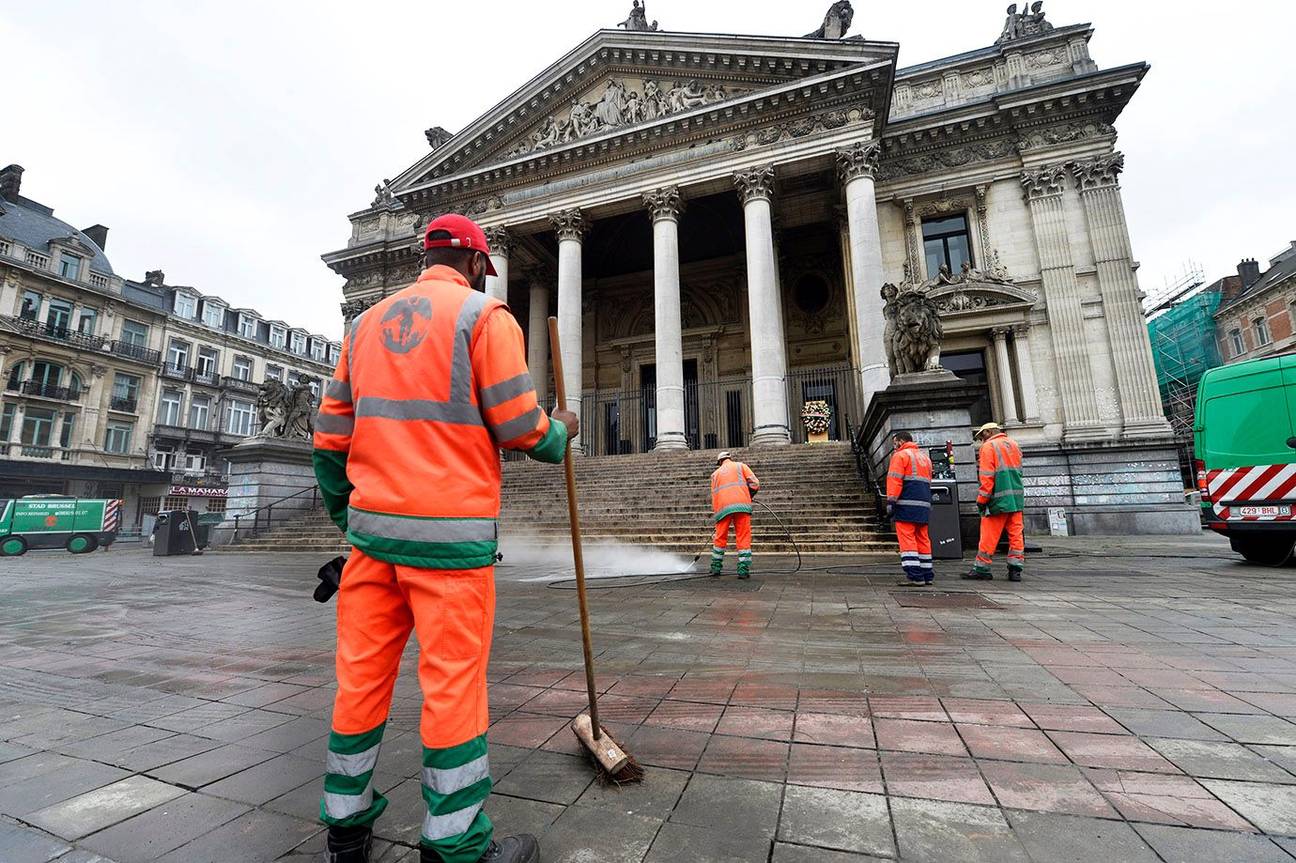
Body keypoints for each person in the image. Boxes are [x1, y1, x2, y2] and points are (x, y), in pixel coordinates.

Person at [313, 213, 578, 863]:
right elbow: (520, 425)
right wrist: (562, 429)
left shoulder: (365, 325)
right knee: (454, 688)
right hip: (450, 549)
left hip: (372, 546)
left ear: (424, 257)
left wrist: (353, 521)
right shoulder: (485, 318)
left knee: (360, 685)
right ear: (476, 266)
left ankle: (346, 831)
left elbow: (327, 442)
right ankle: (454, 843)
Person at [963, 422, 1025, 582]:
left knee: (989, 536)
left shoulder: (989, 447)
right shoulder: (1014, 445)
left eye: (982, 436)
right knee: (1016, 535)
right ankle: (1015, 569)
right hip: (1016, 500)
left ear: (989, 432)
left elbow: (987, 477)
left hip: (997, 500)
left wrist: (982, 500)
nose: (981, 441)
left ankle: (982, 568)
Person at [886, 431, 933, 586]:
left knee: (907, 540)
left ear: (900, 441)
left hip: (906, 504)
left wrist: (891, 502)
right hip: (924, 504)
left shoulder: (899, 456)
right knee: (923, 539)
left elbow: (895, 480)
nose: (894, 447)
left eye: (894, 443)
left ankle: (915, 575)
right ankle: (927, 574)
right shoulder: (925, 457)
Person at [709, 451, 760, 578]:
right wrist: (749, 495)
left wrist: (717, 515)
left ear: (720, 462)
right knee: (743, 535)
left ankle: (716, 567)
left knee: (720, 536)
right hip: (742, 505)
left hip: (723, 508)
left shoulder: (715, 474)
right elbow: (755, 484)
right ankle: (743, 569)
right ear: (729, 458)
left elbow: (714, 495)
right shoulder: (740, 466)